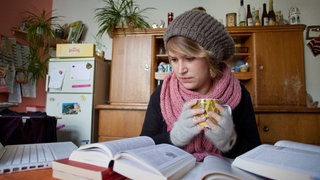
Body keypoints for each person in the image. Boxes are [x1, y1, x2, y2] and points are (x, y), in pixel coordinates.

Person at [140, 10, 261, 162]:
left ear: (211, 58)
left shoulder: (239, 93)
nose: (180, 70)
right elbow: (143, 148)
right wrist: (174, 138)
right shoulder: (162, 94)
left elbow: (255, 154)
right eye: (174, 59)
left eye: (189, 58)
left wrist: (230, 142)